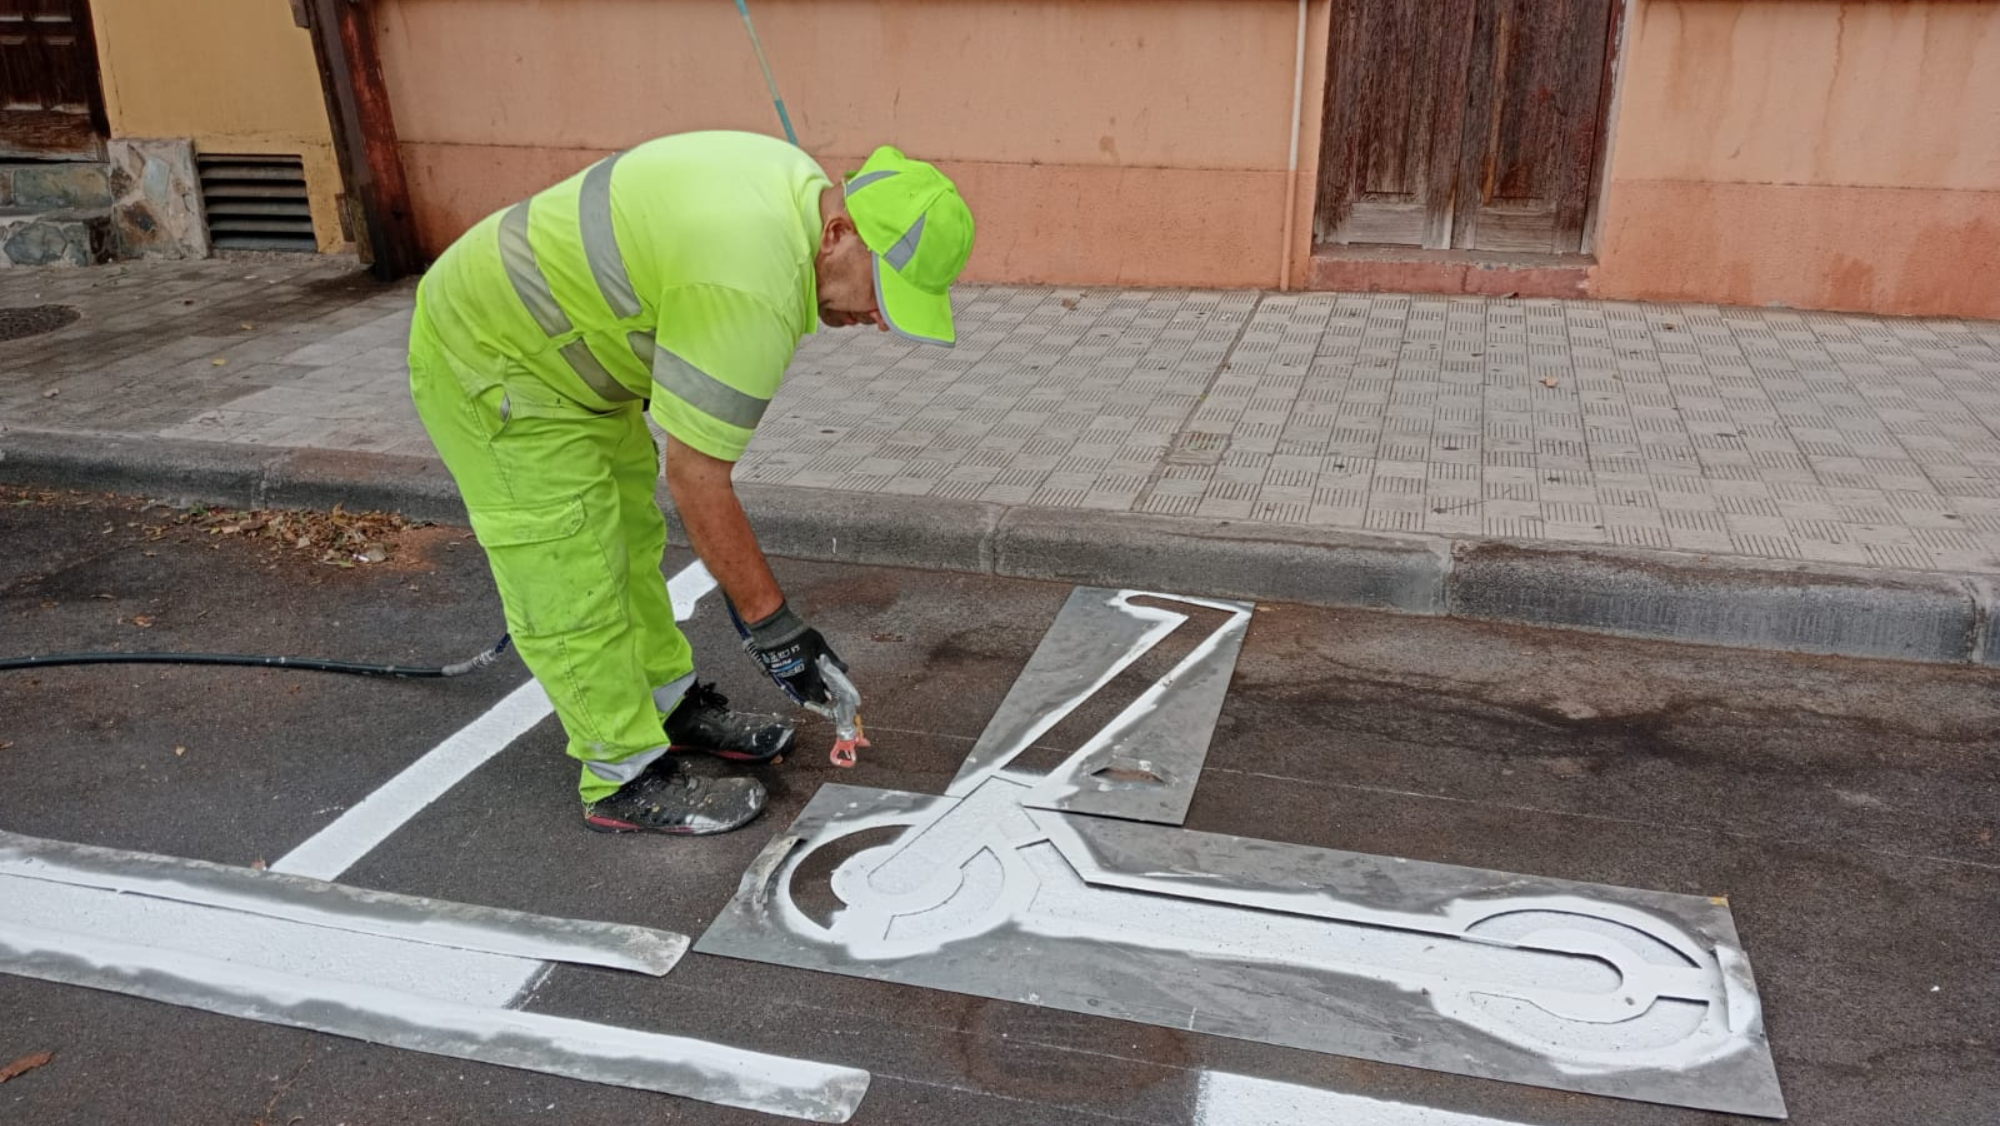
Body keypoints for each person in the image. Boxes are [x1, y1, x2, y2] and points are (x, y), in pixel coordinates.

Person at [406, 130, 975, 836]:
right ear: (838, 232)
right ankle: (620, 773)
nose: (879, 320)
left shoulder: (796, 192)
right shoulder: (749, 279)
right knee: (569, 566)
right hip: (494, 355)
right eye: (882, 293)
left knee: (628, 536)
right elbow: (699, 480)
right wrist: (776, 630)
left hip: (571, 355)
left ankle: (668, 706)